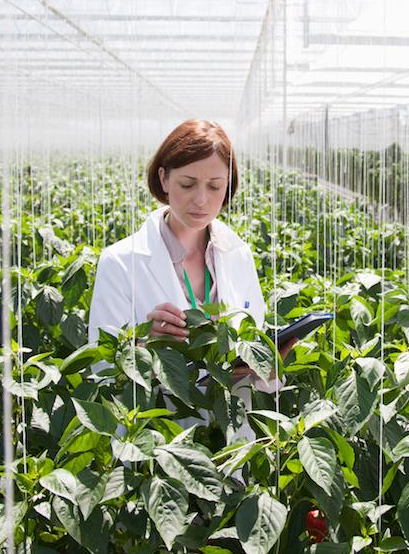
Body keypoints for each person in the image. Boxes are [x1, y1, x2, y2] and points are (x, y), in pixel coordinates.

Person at [86, 119, 282, 418]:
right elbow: (101, 372)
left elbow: (253, 345)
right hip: (161, 440)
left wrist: (266, 365)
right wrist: (140, 346)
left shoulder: (237, 254)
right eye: (187, 184)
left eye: (215, 186)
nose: (201, 199)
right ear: (164, 179)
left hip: (231, 432)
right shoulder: (121, 262)